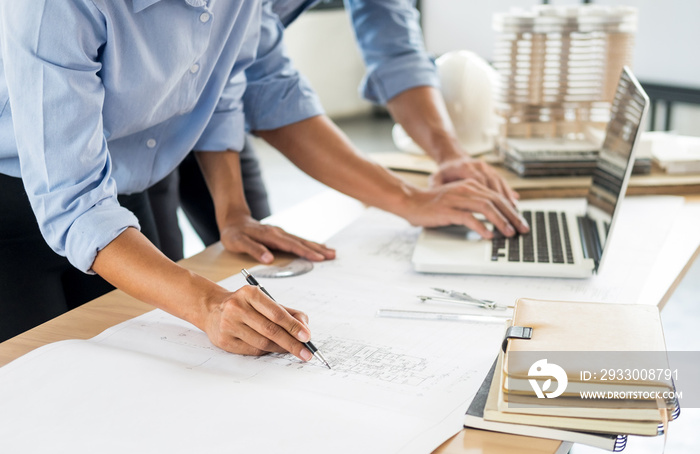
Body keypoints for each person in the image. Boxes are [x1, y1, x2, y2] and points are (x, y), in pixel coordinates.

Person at [0, 1, 528, 358]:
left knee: (152, 362)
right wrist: (207, 303)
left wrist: (232, 209)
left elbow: (232, 76)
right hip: (16, 201)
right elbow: (75, 205)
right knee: (35, 388)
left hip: (130, 183)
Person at [154, 0, 520, 263]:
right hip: (131, 132)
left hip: (220, 105)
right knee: (150, 277)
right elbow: (270, 90)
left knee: (262, 252)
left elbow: (398, 52)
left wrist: (450, 154)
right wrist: (409, 199)